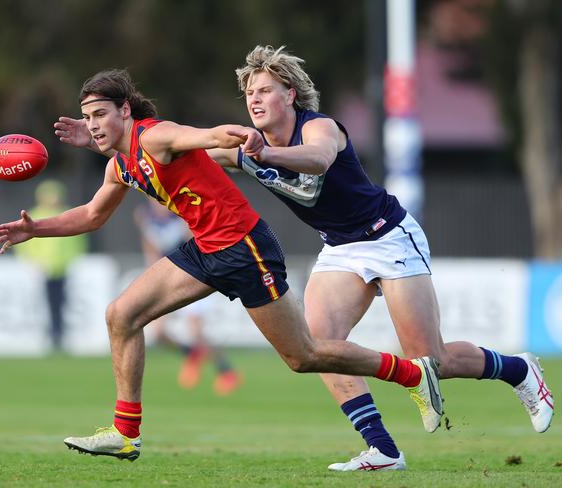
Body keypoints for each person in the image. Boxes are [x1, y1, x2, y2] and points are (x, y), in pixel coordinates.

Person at [0, 67, 443, 463]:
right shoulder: (120, 165)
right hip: (205, 249)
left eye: (100, 114)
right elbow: (91, 215)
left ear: (125, 111)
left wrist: (241, 136)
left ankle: (411, 373)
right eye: (87, 117)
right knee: (121, 315)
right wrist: (35, 229)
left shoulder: (155, 135)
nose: (93, 124)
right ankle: (125, 435)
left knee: (303, 356)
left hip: (246, 248)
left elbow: (205, 136)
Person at [205, 45, 554, 471]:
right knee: (317, 346)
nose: (254, 100)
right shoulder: (247, 145)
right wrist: (137, 152)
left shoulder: (320, 128)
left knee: (431, 361)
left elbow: (317, 161)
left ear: (291, 94)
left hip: (389, 237)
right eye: (249, 94)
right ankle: (383, 450)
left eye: (264, 90)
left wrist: (261, 154)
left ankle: (519, 370)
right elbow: (191, 155)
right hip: (340, 248)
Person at [134, 199, 242, 395]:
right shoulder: (143, 215)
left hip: (194, 276)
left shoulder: (182, 213)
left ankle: (226, 371)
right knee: (158, 333)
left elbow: (195, 243)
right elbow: (150, 247)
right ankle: (191, 353)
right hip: (167, 279)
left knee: (196, 333)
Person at [13, 179, 88, 351]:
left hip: (63, 269)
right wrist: (34, 263)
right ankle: (51, 334)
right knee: (46, 304)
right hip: (43, 271)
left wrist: (72, 260)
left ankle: (60, 334)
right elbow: (26, 247)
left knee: (62, 303)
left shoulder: (66, 213)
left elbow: (77, 241)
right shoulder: (35, 215)